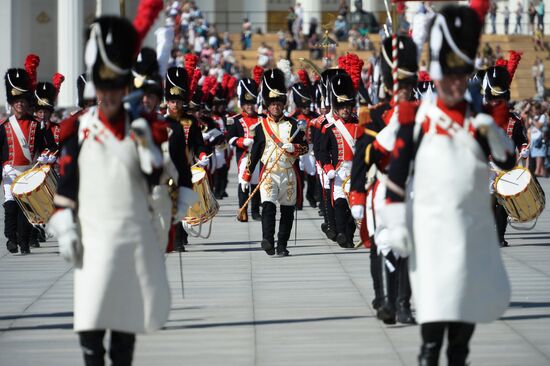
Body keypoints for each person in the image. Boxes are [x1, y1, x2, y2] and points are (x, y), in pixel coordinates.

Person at [379, 5, 515, 365]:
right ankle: (428, 355)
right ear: (437, 77)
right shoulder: (418, 117)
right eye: (448, 76)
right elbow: (398, 170)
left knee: (466, 314)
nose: (455, 84)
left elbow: (508, 163)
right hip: (433, 229)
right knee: (436, 309)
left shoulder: (480, 120)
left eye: (460, 76)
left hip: (473, 229)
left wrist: (494, 134)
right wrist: (395, 222)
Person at [47, 10, 173, 366]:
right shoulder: (79, 130)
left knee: (124, 326)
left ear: (124, 87)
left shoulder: (143, 126)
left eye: (116, 88)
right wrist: (64, 227)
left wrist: (149, 149)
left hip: (131, 237)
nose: (110, 96)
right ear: (95, 88)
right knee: (90, 323)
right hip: (93, 238)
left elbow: (155, 181)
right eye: (104, 88)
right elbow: (67, 185)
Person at [350, 36, 418, 324]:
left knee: (409, 247)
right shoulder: (375, 116)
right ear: (390, 85)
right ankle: (385, 299)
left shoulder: (422, 114)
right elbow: (361, 157)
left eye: (408, 85)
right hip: (383, 187)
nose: (404, 91)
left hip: (414, 188)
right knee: (382, 244)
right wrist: (356, 195)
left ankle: (403, 302)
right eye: (400, 85)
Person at [242, 68, 308, 257]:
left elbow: (305, 148)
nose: (276, 107)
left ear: (283, 104)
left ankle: (282, 244)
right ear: (267, 106)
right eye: (272, 104)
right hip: (269, 173)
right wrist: (248, 174)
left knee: (287, 212)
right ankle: (268, 240)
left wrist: (293, 149)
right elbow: (255, 152)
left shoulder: (294, 125)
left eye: (278, 103)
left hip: (288, 173)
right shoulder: (261, 127)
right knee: (269, 207)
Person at [2, 55, 57, 255]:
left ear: (28, 103)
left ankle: (24, 242)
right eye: (16, 102)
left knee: (26, 210)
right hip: (10, 171)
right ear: (11, 103)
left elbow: (48, 145)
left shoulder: (36, 125)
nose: (20, 105)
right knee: (10, 208)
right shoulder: (5, 126)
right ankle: (11, 238)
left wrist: (45, 156)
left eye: (23, 101)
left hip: (28, 171)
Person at [482, 53, 529, 247]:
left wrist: (524, 149)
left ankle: (500, 236)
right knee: (488, 203)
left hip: (505, 167)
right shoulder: (482, 118)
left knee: (502, 204)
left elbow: (522, 141)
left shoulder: (515, 120)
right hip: (486, 166)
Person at [319, 55, 365, 249]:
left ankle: (348, 234)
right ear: (336, 107)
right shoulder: (330, 128)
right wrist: (328, 167)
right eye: (342, 106)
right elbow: (322, 151)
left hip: (355, 171)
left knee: (352, 208)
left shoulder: (360, 125)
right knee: (339, 205)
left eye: (348, 106)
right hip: (338, 172)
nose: (346, 110)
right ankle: (341, 234)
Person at [164, 65, 209, 251]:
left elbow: (198, 143)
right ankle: (175, 240)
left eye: (178, 101)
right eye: (172, 101)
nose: (175, 104)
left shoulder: (191, 122)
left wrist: (202, 155)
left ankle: (179, 239)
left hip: (186, 168)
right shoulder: (160, 121)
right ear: (167, 102)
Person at [228, 71, 262, 222]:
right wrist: (243, 141)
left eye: (251, 103)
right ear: (242, 104)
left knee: (256, 183)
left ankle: (255, 211)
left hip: (259, 155)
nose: (249, 106)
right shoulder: (234, 120)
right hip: (244, 156)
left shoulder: (262, 118)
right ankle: (242, 211)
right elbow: (229, 138)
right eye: (246, 103)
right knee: (244, 182)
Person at [290, 71, 319, 209]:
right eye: (304, 106)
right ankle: (298, 200)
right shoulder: (293, 117)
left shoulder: (315, 116)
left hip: (311, 150)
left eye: (308, 105)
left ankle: (310, 195)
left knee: (312, 173)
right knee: (298, 176)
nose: (307, 108)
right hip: (297, 150)